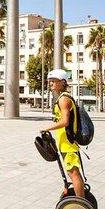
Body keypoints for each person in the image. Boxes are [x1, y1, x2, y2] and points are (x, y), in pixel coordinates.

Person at [41, 69, 85, 198]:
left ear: (62, 82)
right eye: (50, 82)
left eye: (53, 81)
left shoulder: (64, 99)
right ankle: (80, 201)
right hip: (65, 142)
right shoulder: (62, 98)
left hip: (68, 143)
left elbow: (65, 121)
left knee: (73, 173)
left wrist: (47, 128)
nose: (51, 84)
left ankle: (81, 203)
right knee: (72, 172)